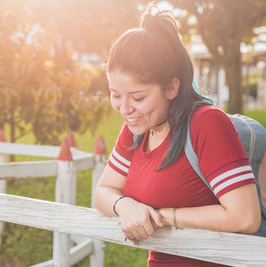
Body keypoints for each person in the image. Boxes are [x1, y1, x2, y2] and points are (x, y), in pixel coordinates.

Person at [94, 4, 262, 267]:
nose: (124, 109)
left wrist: (166, 216)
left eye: (138, 97)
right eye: (116, 94)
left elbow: (245, 218)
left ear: (172, 88)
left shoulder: (206, 124)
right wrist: (125, 206)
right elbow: (103, 191)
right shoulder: (137, 128)